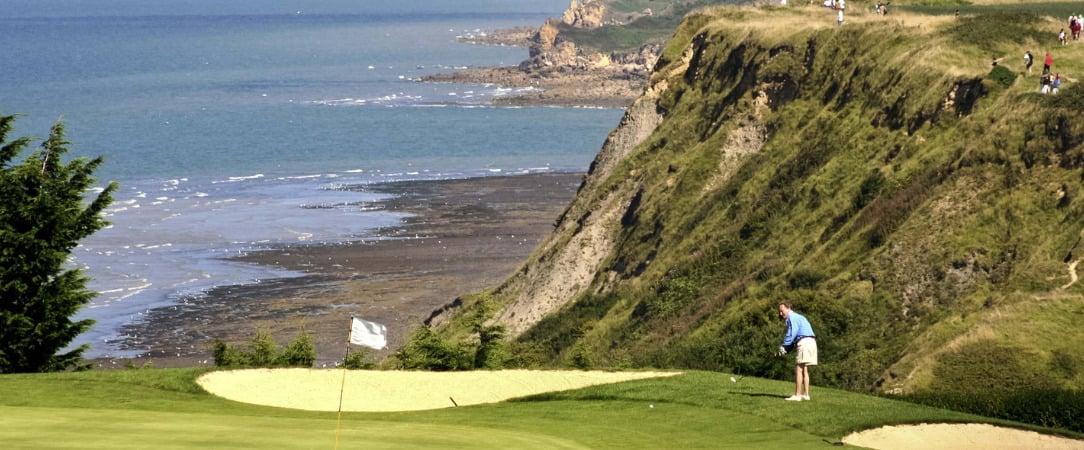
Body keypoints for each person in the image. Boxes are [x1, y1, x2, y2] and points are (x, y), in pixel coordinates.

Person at [777, 302, 817, 401]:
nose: (781, 314)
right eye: (779, 312)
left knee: (798, 368)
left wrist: (782, 347)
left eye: (782, 311)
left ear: (788, 308)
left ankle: (797, 395)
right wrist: (786, 350)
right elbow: (794, 339)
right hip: (811, 342)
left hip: (804, 342)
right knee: (804, 369)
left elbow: (791, 334)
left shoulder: (792, 317)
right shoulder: (799, 317)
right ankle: (806, 395)